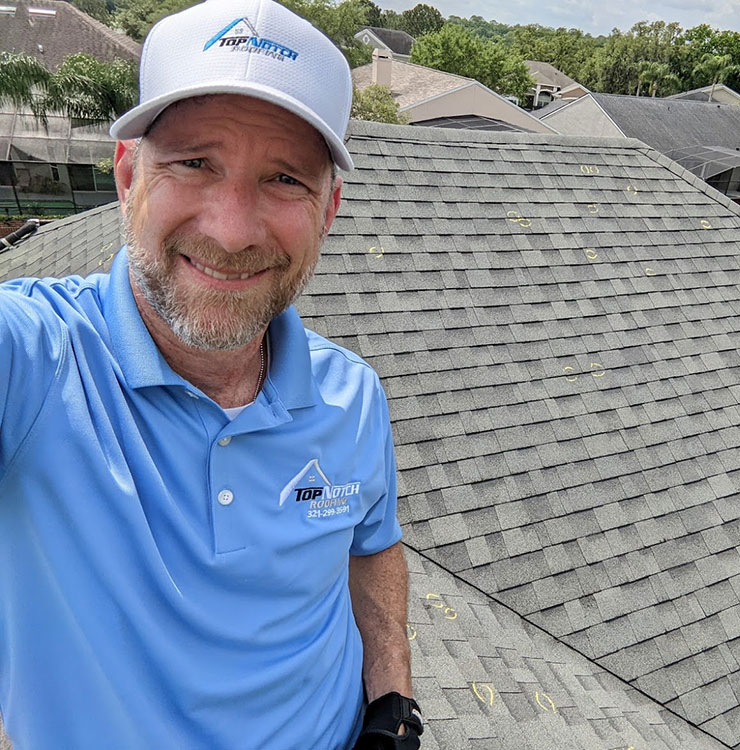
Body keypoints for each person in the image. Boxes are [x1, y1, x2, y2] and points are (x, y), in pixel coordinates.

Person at [0, 0, 422, 748]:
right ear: (128, 174)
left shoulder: (352, 396)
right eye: (195, 162)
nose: (232, 230)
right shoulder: (36, 362)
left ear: (329, 208)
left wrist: (391, 698)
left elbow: (373, 542)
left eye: (285, 179)